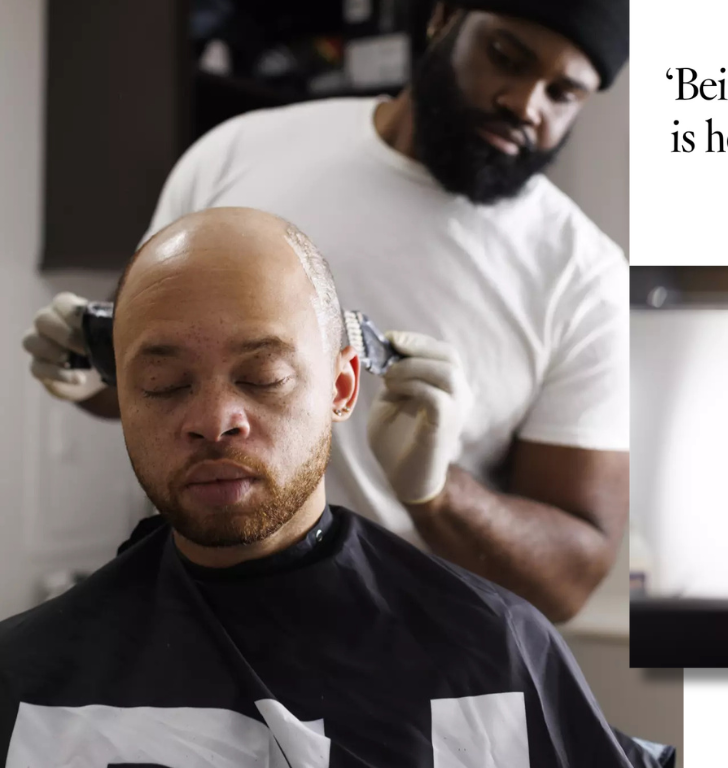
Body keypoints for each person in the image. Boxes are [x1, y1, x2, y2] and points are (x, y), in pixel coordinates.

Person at [21, 0, 630, 622]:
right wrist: (93, 365)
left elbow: (570, 582)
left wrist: (437, 491)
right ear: (442, 21)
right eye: (507, 55)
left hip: (411, 658)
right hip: (200, 624)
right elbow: (163, 392)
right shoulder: (242, 152)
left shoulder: (583, 277)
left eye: (564, 92)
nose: (525, 103)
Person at [0, 208, 672, 767]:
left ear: (343, 387)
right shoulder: (26, 675)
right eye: (163, 385)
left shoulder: (490, 650)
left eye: (262, 377)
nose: (213, 421)